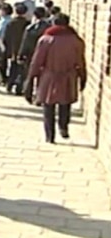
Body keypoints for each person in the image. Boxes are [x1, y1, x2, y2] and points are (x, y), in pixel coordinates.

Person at [27, 14, 87, 143]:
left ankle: (50, 135)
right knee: (65, 103)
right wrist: (82, 76)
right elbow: (80, 61)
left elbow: (37, 62)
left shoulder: (46, 39)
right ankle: (63, 126)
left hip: (49, 76)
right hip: (68, 75)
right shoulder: (76, 41)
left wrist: (31, 79)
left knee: (48, 106)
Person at [3, 3, 30, 94]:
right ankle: (19, 88)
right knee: (22, 71)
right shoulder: (27, 24)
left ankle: (9, 86)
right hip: (23, 51)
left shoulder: (11, 23)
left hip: (13, 50)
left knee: (12, 69)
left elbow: (6, 37)